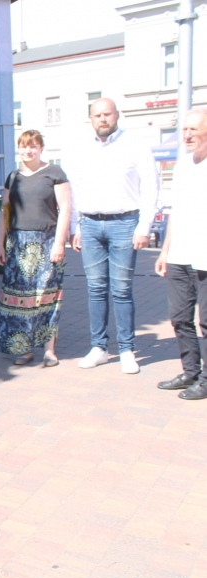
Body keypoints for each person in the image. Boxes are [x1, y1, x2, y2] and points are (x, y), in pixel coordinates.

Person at [69, 98, 159, 374]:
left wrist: (144, 227)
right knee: (96, 290)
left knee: (121, 290)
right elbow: (75, 189)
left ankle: (126, 349)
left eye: (107, 114)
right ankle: (99, 348)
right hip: (90, 225)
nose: (102, 119)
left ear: (117, 115)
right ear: (91, 119)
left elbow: (151, 185)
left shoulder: (135, 144)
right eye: (97, 115)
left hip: (124, 223)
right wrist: (75, 228)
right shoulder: (81, 148)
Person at [0, 130, 71, 366]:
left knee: (46, 297)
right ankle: (24, 349)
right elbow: (5, 211)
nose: (28, 150)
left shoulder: (54, 172)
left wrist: (59, 243)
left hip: (46, 242)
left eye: (33, 146)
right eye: (24, 146)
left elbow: (65, 209)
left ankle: (49, 350)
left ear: (41, 148)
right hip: (17, 243)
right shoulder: (13, 177)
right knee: (19, 299)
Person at [154, 108, 207, 399]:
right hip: (180, 253)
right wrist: (165, 251)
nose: (186, 135)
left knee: (206, 321)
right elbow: (176, 210)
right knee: (179, 317)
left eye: (193, 129)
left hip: (205, 256)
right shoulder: (183, 165)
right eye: (184, 129)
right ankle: (191, 372)